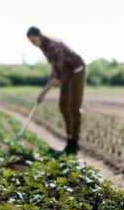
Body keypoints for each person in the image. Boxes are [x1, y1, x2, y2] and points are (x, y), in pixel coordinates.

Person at [27, 26, 87, 155]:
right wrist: (43, 92)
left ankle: (74, 143)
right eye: (31, 42)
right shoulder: (44, 48)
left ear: (40, 35)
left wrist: (46, 90)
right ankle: (69, 138)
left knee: (73, 107)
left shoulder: (53, 46)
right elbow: (55, 70)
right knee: (63, 106)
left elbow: (60, 74)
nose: (33, 44)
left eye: (34, 40)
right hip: (66, 73)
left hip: (76, 71)